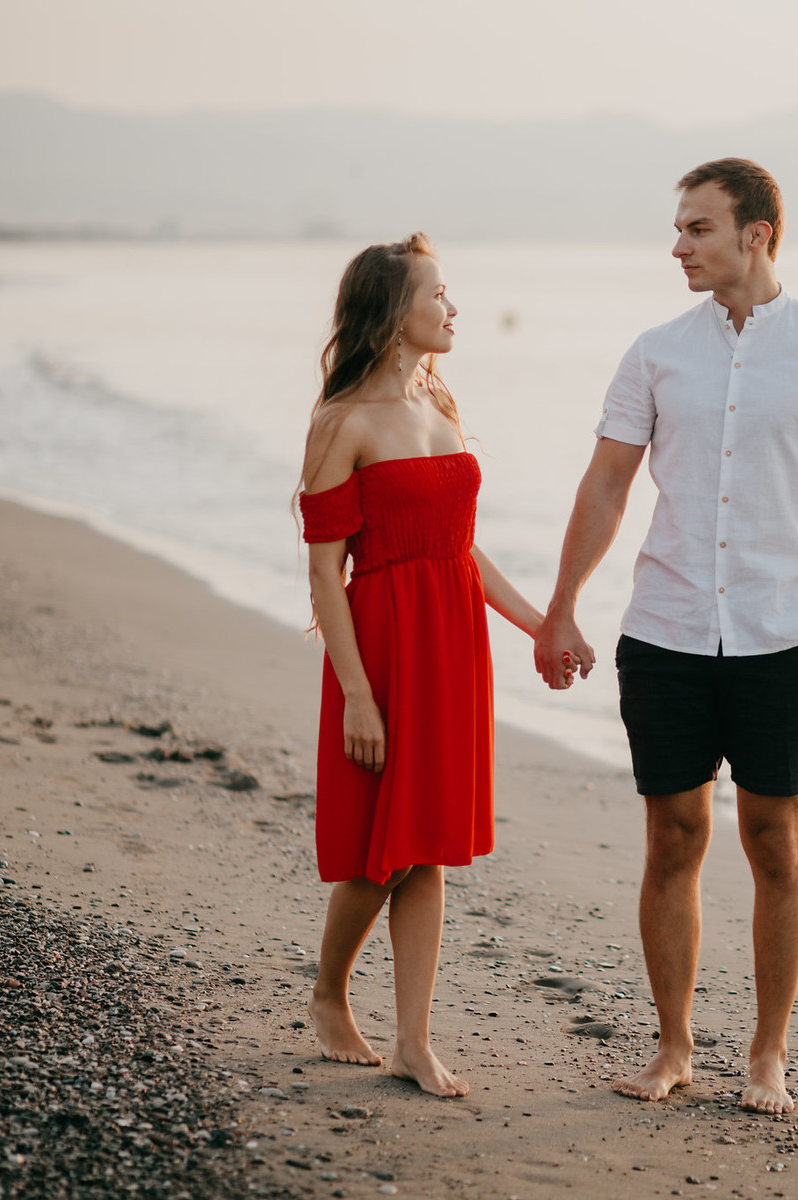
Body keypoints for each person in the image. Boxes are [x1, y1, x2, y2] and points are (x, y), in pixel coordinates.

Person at [535, 159, 798, 1114]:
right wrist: (564, 602)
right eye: (680, 227)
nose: (680, 245)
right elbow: (606, 485)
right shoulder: (656, 352)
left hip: (783, 637)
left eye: (698, 228)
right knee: (673, 836)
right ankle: (675, 1046)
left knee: (776, 841)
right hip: (667, 630)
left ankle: (768, 1054)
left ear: (757, 234)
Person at [297, 233, 551, 1097]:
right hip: (380, 648)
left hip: (451, 647)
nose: (453, 309)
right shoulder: (344, 424)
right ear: (392, 312)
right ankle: (330, 996)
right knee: (382, 849)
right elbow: (326, 573)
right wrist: (358, 697)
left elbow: (461, 549)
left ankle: (413, 1040)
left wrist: (541, 623)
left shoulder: (440, 404)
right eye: (438, 294)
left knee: (428, 844)